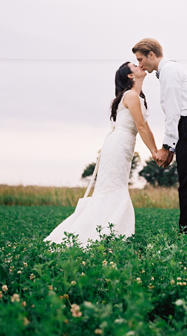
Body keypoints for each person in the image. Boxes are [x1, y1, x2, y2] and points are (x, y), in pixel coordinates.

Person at [45, 62, 158, 247]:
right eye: (135, 65)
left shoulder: (137, 97)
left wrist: (155, 150)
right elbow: (142, 126)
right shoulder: (130, 96)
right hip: (118, 145)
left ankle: (107, 234)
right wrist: (155, 152)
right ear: (130, 76)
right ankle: (103, 235)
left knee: (114, 188)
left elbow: (144, 127)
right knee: (113, 189)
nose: (140, 65)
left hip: (123, 145)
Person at [133, 38, 187, 235]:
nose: (140, 64)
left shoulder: (169, 71)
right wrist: (173, 147)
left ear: (151, 54)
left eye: (141, 59)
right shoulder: (166, 71)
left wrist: (167, 146)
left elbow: (173, 111)